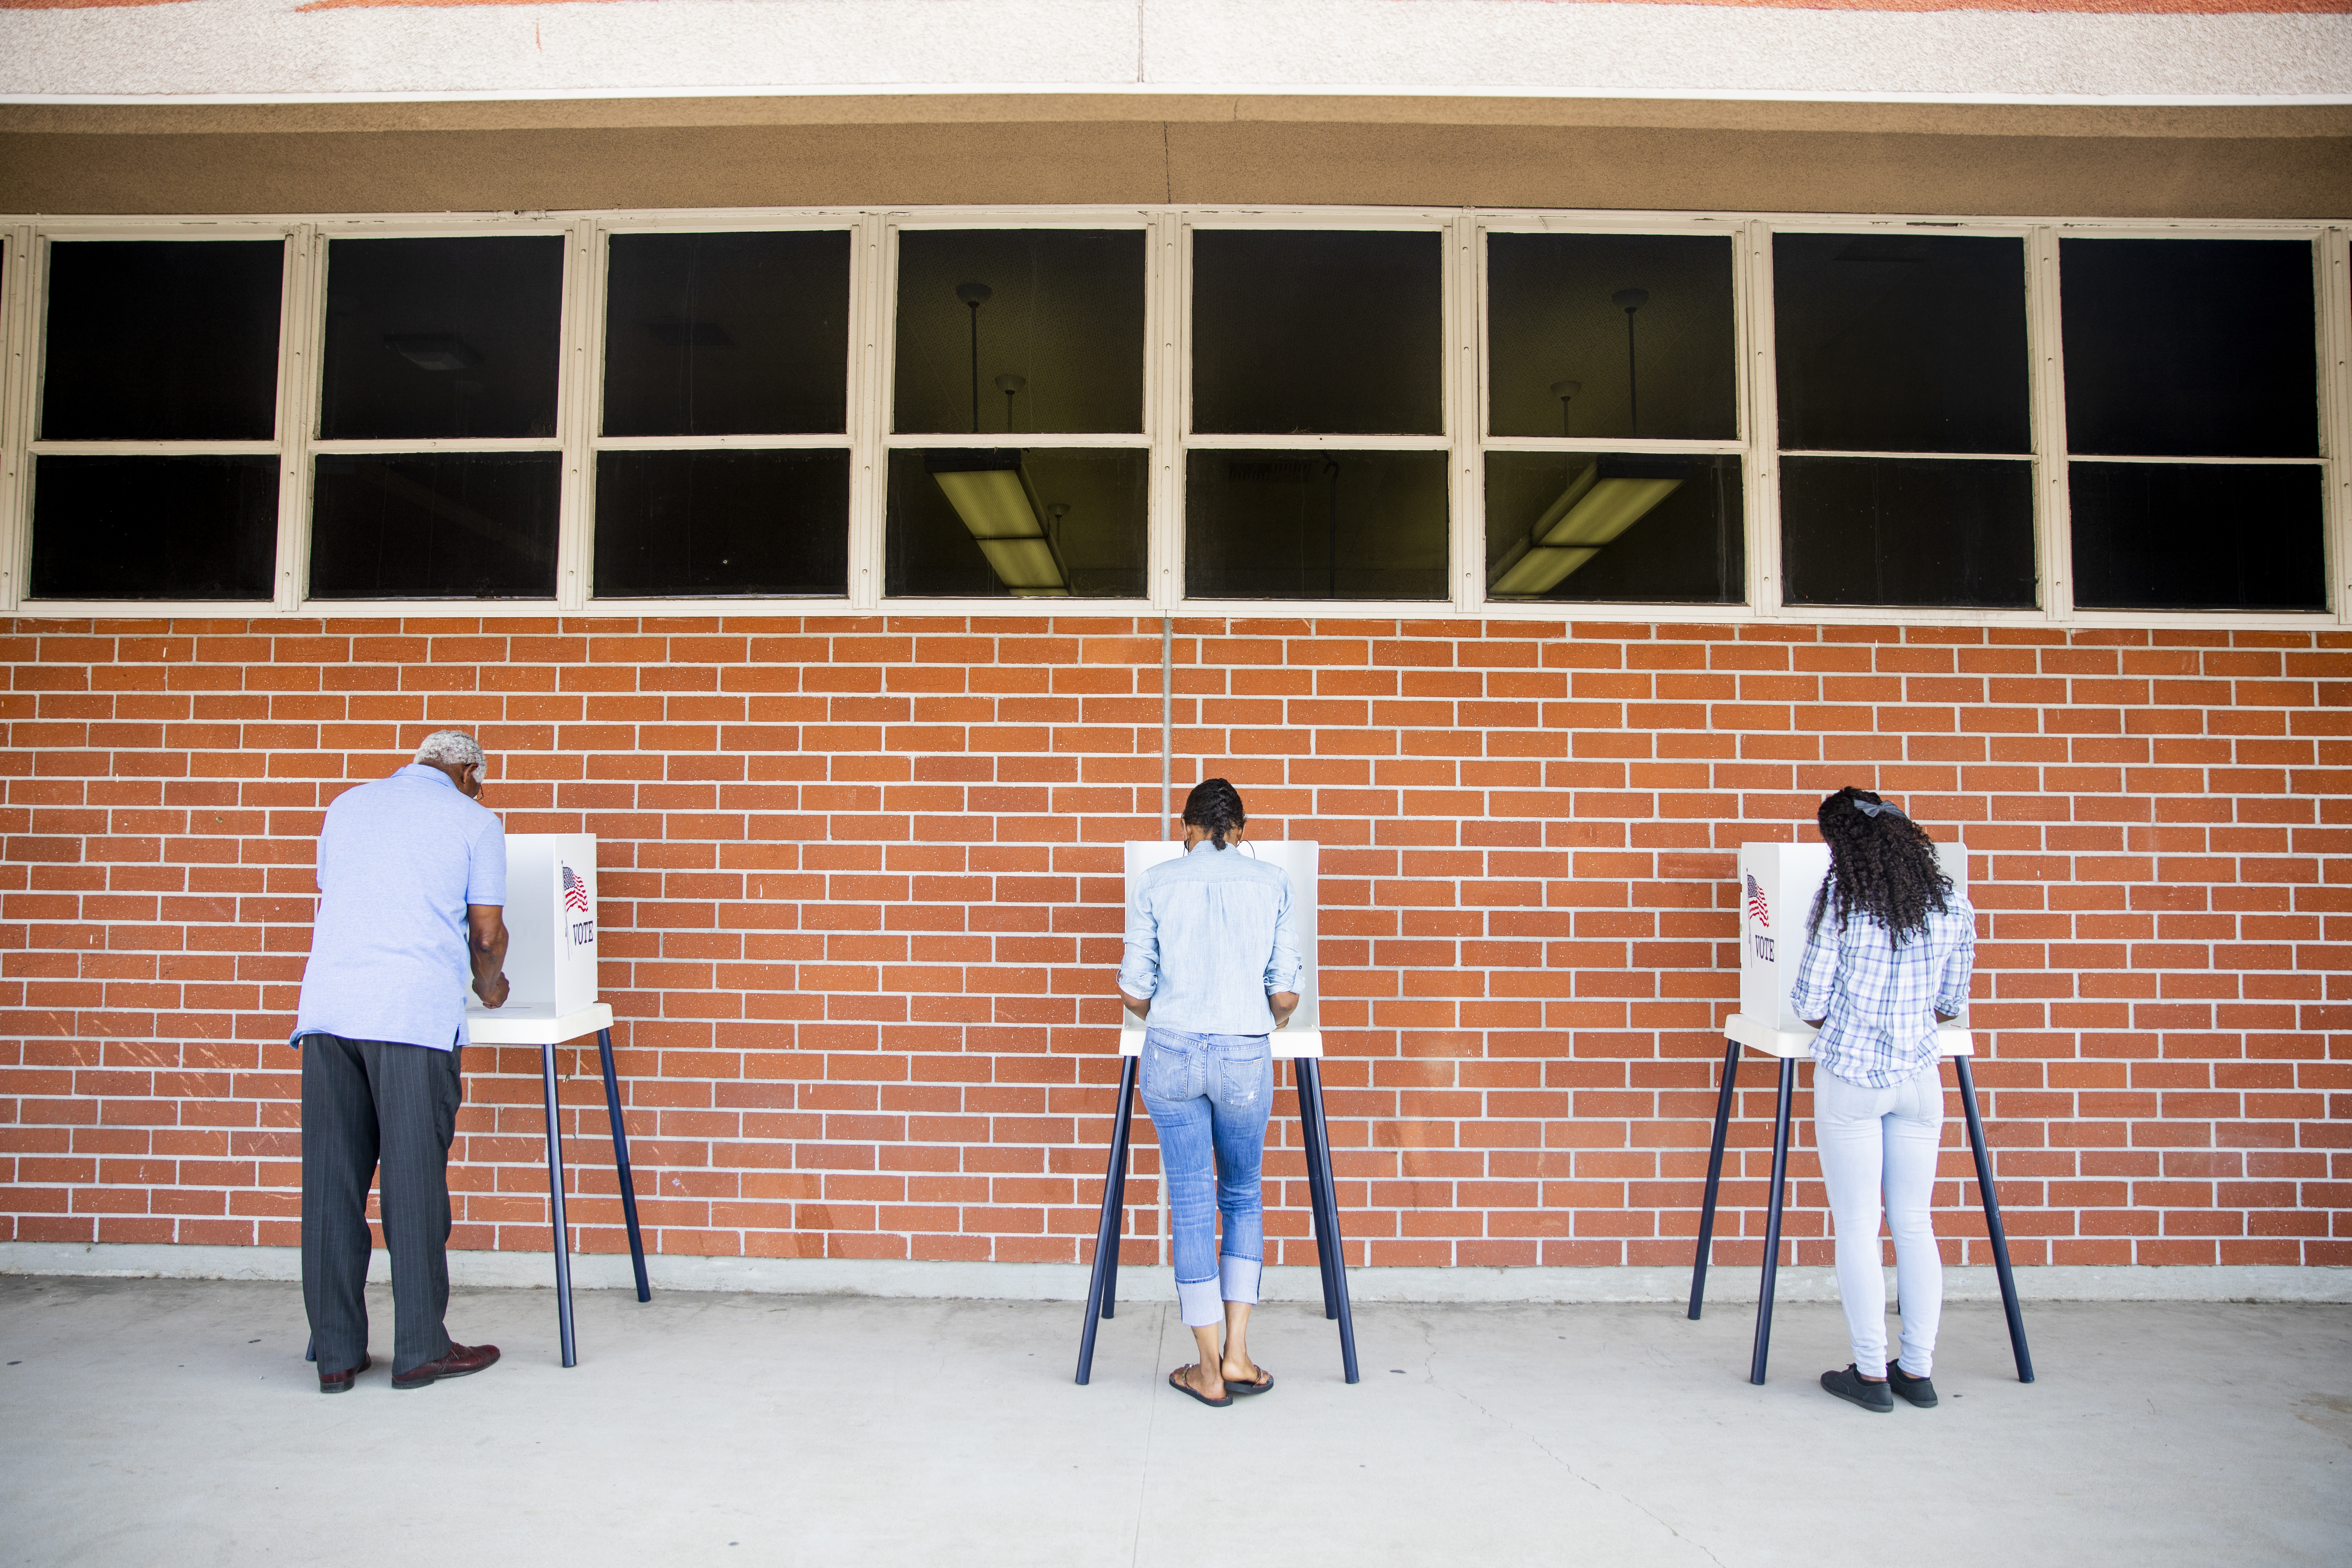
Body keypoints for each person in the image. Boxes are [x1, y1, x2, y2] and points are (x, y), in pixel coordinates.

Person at [293, 731, 511, 1393]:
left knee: (332, 1187)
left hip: (330, 1011)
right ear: (467, 770)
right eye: (480, 779)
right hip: (411, 1019)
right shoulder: (477, 821)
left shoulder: (347, 806)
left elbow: (351, 898)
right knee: (413, 1185)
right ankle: (419, 1348)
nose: (480, 790)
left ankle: (336, 1354)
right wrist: (491, 987)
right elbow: (486, 931)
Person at [1788, 786, 1977, 1414]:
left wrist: (1852, 1024)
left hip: (1853, 1080)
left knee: (1858, 1227)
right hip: (1921, 1079)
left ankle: (1870, 1374)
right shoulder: (1950, 899)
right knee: (1915, 1224)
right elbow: (1952, 1000)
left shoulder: (1843, 902)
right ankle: (1917, 1373)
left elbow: (1809, 1001)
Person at [1117, 779, 1303, 1408]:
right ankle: (1240, 1354)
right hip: (1244, 1056)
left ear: (1188, 830)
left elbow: (1135, 990)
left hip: (1171, 1052)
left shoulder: (1158, 882)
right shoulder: (1273, 882)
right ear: (1240, 832)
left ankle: (1205, 1369)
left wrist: (1175, 1015)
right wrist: (1251, 1025)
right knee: (1243, 1194)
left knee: (1193, 1202)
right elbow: (1284, 996)